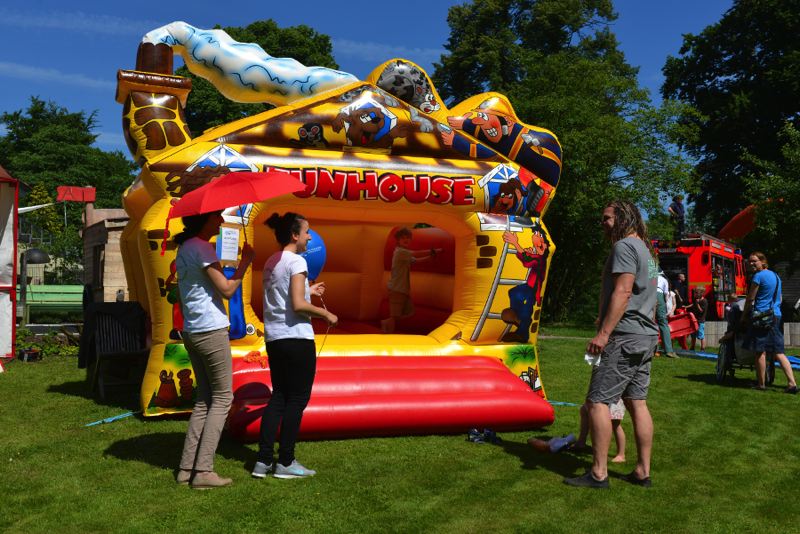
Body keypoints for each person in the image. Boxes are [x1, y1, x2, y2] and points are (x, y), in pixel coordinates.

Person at [564, 200, 658, 489]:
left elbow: (624, 290)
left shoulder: (625, 248)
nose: (602, 223)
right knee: (637, 402)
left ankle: (599, 473)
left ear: (623, 218)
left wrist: (604, 333)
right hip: (645, 336)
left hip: (624, 336)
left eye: (606, 218)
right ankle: (642, 471)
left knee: (597, 402)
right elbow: (651, 297)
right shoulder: (648, 252)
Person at [252, 212, 338, 480]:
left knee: (279, 397)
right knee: (297, 400)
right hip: (297, 338)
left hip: (275, 338)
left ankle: (263, 461)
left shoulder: (272, 262)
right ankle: (286, 462)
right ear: (295, 235)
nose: (310, 237)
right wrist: (326, 315)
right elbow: (298, 306)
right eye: (307, 232)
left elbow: (284, 296)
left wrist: (309, 292)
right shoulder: (297, 261)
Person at [174, 211, 255, 489]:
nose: (221, 222)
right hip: (210, 330)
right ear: (205, 220)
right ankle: (204, 471)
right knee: (222, 398)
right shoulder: (202, 247)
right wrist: (245, 263)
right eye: (217, 218)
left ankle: (187, 468)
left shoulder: (185, 247)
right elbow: (227, 290)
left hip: (192, 330)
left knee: (204, 399)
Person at [740, 252, 797, 393]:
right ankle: (792, 383)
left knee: (760, 351)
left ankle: (761, 384)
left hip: (762, 316)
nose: (751, 263)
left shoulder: (758, 276)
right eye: (749, 261)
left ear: (762, 262)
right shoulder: (776, 276)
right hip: (776, 315)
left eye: (754, 261)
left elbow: (750, 299)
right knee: (778, 351)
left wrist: (743, 317)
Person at [380, 227, 440, 334]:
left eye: (408, 238)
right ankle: (388, 332)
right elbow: (415, 253)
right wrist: (432, 251)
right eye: (403, 238)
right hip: (396, 289)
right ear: (398, 240)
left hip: (403, 289)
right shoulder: (400, 252)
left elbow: (415, 260)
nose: (406, 240)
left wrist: (429, 257)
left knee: (408, 312)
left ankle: (387, 325)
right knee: (395, 316)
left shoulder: (404, 254)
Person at [656, 270, 678, 358]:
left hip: (648, 295)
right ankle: (669, 351)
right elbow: (666, 296)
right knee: (663, 324)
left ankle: (651, 349)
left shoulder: (649, 277)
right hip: (659, 295)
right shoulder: (664, 280)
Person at [687, 287, 708, 351]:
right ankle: (692, 347)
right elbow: (693, 305)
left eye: (696, 293)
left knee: (701, 335)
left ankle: (702, 348)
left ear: (701, 293)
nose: (695, 294)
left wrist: (698, 303)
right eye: (695, 293)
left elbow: (701, 310)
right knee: (693, 334)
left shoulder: (704, 301)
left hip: (700, 321)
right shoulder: (696, 300)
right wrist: (686, 307)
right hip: (695, 320)